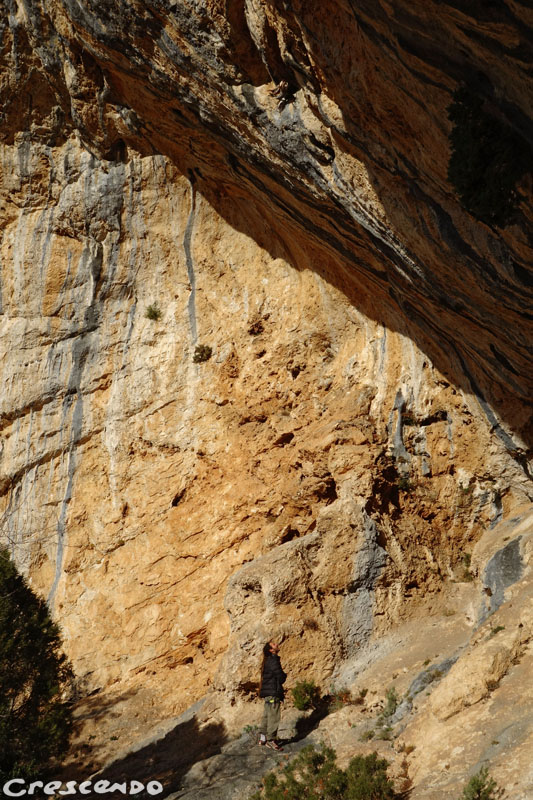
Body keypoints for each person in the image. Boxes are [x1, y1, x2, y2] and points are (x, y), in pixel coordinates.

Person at [258, 640, 287, 750]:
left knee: (266, 715)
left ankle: (263, 738)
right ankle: (271, 740)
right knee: (274, 716)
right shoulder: (273, 660)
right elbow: (280, 677)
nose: (276, 644)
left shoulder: (267, 661)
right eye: (273, 644)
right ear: (271, 650)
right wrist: (284, 676)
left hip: (268, 694)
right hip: (273, 693)